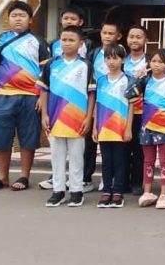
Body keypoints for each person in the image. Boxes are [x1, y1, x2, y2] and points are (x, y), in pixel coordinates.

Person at [0, 1, 50, 192]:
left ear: (30, 19)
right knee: (1, 137)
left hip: (31, 96)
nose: (18, 19)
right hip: (3, 95)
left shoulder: (39, 41)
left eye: (22, 15)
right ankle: (2, 177)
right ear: (8, 19)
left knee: (28, 138)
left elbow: (47, 71)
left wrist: (41, 98)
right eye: (14, 15)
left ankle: (24, 176)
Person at [39, 26, 96, 207]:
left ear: (80, 43)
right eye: (64, 39)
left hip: (77, 119)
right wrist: (44, 115)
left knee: (77, 156)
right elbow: (44, 90)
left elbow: (92, 93)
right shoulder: (51, 64)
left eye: (72, 40)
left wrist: (88, 117)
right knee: (57, 156)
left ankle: (76, 191)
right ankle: (58, 191)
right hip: (55, 118)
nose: (67, 43)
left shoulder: (86, 65)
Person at [77, 21, 123, 193]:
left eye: (111, 34)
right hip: (94, 102)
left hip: (114, 106)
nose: (107, 36)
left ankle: (109, 179)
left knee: (111, 147)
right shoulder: (94, 53)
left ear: (118, 36)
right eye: (104, 33)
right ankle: (86, 178)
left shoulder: (121, 53)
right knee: (89, 143)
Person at [92, 45, 138, 208]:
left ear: (123, 60)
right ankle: (107, 190)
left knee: (120, 161)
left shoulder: (129, 80)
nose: (111, 62)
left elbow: (131, 106)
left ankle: (118, 191)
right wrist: (95, 127)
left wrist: (128, 128)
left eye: (115, 58)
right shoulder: (101, 80)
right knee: (106, 161)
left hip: (120, 127)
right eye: (108, 58)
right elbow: (97, 104)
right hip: (104, 127)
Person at [137, 49, 165, 209]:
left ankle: (164, 193)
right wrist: (138, 77)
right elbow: (129, 94)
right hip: (147, 125)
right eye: (153, 61)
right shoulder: (145, 81)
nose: (156, 65)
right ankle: (147, 192)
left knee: (164, 160)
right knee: (148, 161)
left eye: (160, 62)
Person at [124, 25, 149, 196]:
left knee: (140, 150)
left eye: (138, 37)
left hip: (143, 112)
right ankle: (123, 181)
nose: (134, 40)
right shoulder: (120, 60)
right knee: (124, 149)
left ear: (145, 40)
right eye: (131, 36)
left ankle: (137, 183)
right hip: (122, 112)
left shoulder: (150, 62)